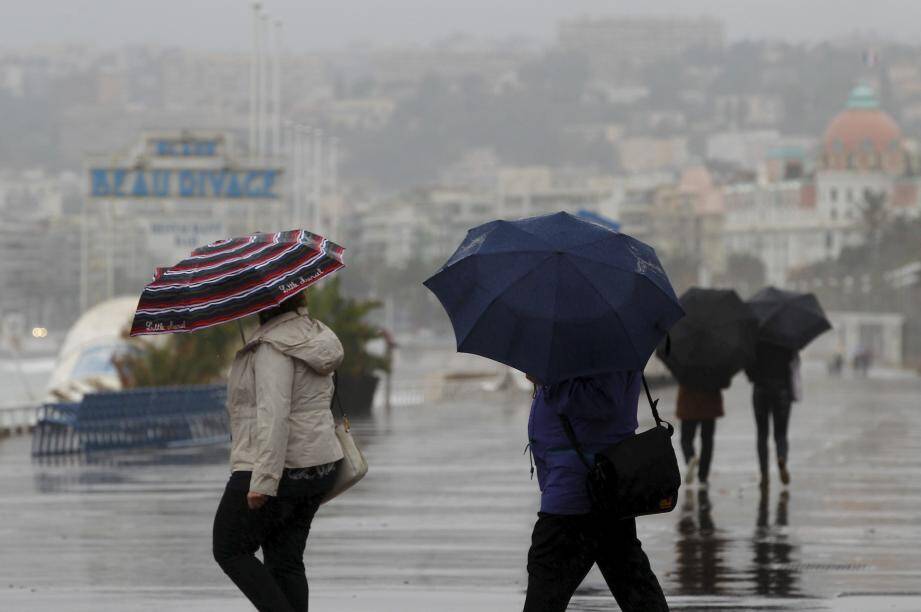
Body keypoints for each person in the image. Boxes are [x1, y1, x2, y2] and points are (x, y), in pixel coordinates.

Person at [213, 291, 344, 612]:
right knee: (285, 561)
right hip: (319, 466)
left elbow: (274, 415)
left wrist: (264, 481)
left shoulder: (272, 348)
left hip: (279, 469)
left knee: (230, 549)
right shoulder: (315, 335)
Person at [523, 373, 669, 612]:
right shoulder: (600, 344)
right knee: (636, 589)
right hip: (593, 487)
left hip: (577, 491)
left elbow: (604, 401)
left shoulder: (606, 346)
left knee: (545, 592)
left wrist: (550, 382)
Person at [746, 341, 798, 490]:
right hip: (782, 390)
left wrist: (754, 377)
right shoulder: (787, 339)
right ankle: (781, 457)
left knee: (762, 434)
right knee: (781, 433)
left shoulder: (755, 339)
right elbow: (793, 364)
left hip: (760, 389)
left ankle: (764, 474)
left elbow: (748, 364)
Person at [676, 385, 724, 487]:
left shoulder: (685, 369)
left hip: (688, 399)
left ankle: (690, 457)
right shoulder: (712, 369)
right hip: (710, 399)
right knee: (707, 440)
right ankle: (703, 477)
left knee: (686, 439)